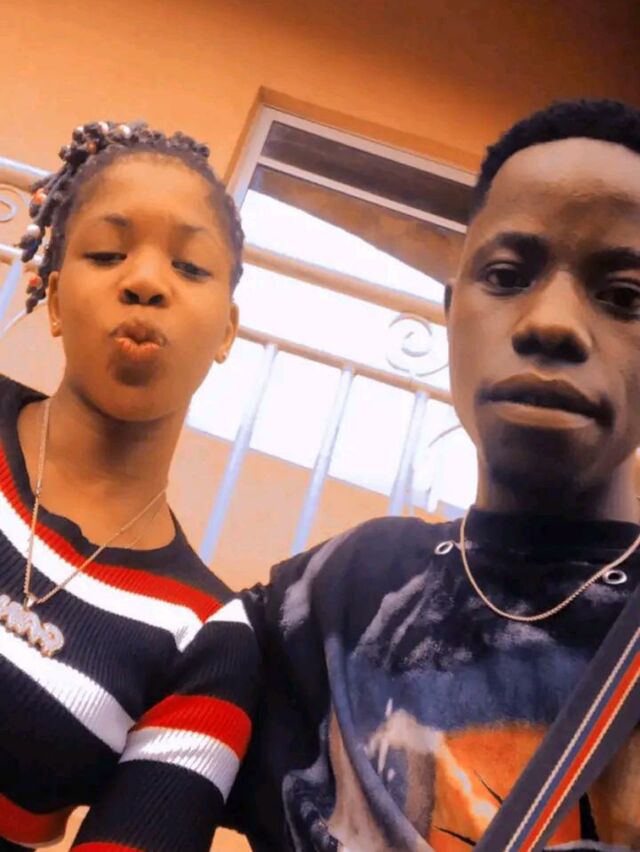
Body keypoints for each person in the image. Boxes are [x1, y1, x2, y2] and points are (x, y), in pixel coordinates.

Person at [225, 99, 640, 851]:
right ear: (452, 314)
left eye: (625, 297)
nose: (550, 323)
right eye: (507, 275)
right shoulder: (335, 597)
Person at [0, 121, 258, 851]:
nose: (144, 282)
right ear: (53, 300)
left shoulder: (208, 638)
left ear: (227, 330)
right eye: (108, 254)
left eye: (191, 267)